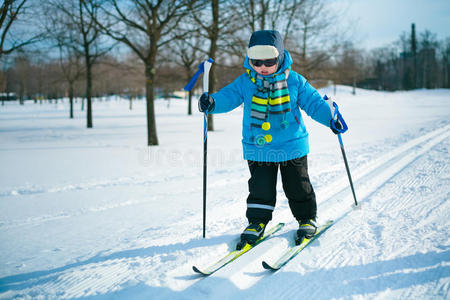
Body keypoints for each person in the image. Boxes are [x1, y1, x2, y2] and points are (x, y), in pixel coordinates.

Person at [198, 30, 343, 249]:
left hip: (291, 145)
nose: (262, 67)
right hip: (259, 146)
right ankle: (257, 222)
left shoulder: (294, 81)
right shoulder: (246, 82)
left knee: (297, 184)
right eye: (257, 62)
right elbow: (228, 97)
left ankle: (306, 218)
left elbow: (314, 103)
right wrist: (212, 102)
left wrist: (331, 119)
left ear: (281, 57)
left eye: (269, 61)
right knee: (260, 187)